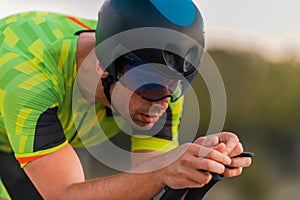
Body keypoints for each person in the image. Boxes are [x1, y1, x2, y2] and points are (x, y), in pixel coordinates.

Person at [0, 0, 252, 199]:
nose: (162, 102)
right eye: (149, 84)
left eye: (176, 84)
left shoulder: (162, 89)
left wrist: (200, 162)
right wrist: (162, 172)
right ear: (103, 66)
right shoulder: (30, 80)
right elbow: (64, 194)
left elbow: (147, 182)